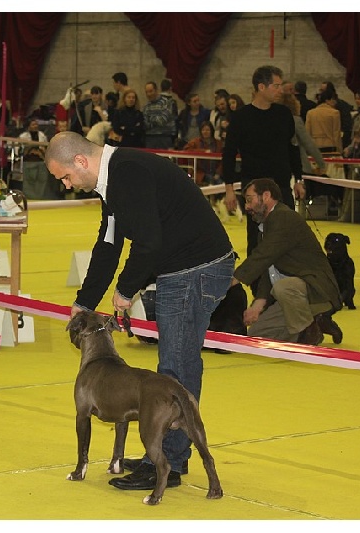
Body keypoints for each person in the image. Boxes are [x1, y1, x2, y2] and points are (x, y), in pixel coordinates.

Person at [44, 131, 235, 492]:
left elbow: (148, 242)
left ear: (81, 161)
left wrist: (125, 290)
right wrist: (85, 300)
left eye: (66, 177)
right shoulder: (114, 180)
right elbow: (108, 244)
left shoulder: (127, 173)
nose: (67, 185)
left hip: (195, 270)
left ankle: (169, 463)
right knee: (174, 365)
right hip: (182, 268)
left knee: (175, 368)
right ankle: (165, 455)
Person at [231, 178, 342, 346]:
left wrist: (233, 279)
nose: (247, 206)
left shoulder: (284, 217)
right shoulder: (265, 226)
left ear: (266, 196)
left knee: (284, 287)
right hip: (293, 299)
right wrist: (258, 303)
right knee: (257, 335)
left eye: (249, 199)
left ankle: (310, 332)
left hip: (316, 292)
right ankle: (315, 322)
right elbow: (270, 267)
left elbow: (262, 256)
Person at [222, 65, 295, 256]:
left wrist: (300, 179)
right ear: (261, 87)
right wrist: (229, 189)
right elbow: (228, 154)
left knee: (287, 236)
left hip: (282, 185)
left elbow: (292, 148)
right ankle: (256, 283)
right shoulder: (240, 118)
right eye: (276, 86)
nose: (281, 90)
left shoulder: (284, 114)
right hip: (254, 187)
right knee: (256, 238)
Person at [19, 119, 60, 200]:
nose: (35, 126)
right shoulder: (23, 136)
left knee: (42, 181)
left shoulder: (42, 135)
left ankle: (40, 198)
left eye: (36, 124)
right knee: (29, 182)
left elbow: (45, 147)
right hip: (29, 161)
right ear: (28, 126)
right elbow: (21, 150)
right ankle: (29, 198)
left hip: (41, 160)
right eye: (33, 124)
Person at [183, 121, 223, 186]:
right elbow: (186, 150)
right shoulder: (195, 142)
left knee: (220, 182)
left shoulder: (218, 143)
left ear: (211, 131)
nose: (205, 132)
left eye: (207, 130)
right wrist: (203, 151)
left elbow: (222, 160)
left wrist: (218, 173)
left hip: (215, 172)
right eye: (203, 130)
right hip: (200, 172)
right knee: (212, 180)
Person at [305, 87, 343, 154]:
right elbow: (336, 134)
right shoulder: (335, 113)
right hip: (330, 145)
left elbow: (307, 132)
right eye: (333, 99)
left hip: (314, 146)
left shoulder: (310, 113)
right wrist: (339, 150)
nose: (335, 102)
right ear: (327, 100)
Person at [142, 81, 177, 149]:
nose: (149, 94)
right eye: (147, 92)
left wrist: (150, 118)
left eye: (151, 91)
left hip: (164, 137)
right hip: (150, 138)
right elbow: (145, 124)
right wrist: (155, 119)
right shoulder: (146, 106)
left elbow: (162, 120)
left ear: (156, 90)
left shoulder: (167, 102)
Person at [319, 81, 353, 147]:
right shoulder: (320, 106)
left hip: (338, 138)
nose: (320, 93)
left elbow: (346, 124)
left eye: (322, 91)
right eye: (320, 90)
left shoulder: (341, 106)